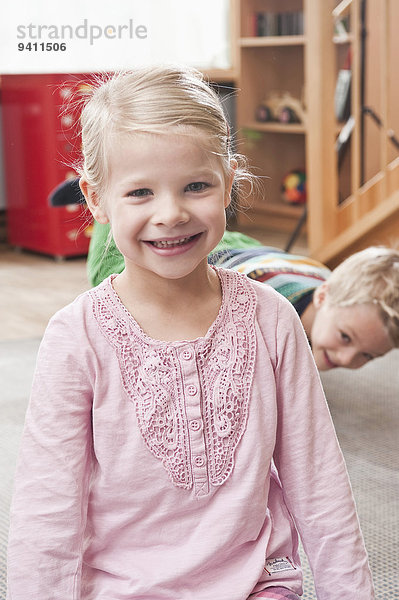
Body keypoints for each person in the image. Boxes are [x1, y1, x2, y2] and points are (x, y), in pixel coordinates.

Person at [7, 66, 375, 599]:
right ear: (96, 198)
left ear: (227, 182)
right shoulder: (75, 337)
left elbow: (319, 483)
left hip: (257, 584)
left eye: (196, 186)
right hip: (120, 589)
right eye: (139, 192)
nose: (172, 213)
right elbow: (47, 510)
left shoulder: (274, 319)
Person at [88, 221, 399, 371]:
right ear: (323, 297)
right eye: (346, 337)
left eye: (367, 356)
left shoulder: (334, 290)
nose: (347, 359)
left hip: (253, 253)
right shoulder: (257, 313)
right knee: (119, 264)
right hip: (227, 259)